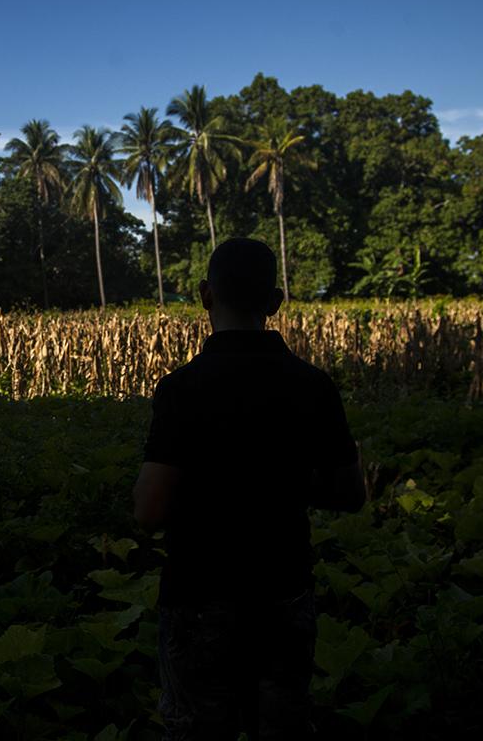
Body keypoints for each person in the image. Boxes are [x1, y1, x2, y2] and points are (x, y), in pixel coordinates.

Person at [133, 237, 365, 741]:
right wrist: (282, 485)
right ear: (276, 302)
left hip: (198, 594)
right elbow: (351, 493)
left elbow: (149, 510)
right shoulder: (313, 385)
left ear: (204, 295)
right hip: (283, 591)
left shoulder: (181, 389)